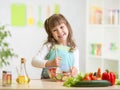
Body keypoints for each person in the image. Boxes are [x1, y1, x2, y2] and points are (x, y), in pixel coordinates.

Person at [31, 13, 79, 79]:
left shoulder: (74, 49)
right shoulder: (49, 46)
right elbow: (34, 61)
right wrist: (49, 63)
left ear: (67, 26)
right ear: (51, 34)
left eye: (61, 27)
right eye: (55, 30)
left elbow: (76, 67)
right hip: (47, 84)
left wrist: (75, 71)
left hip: (66, 83)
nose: (59, 32)